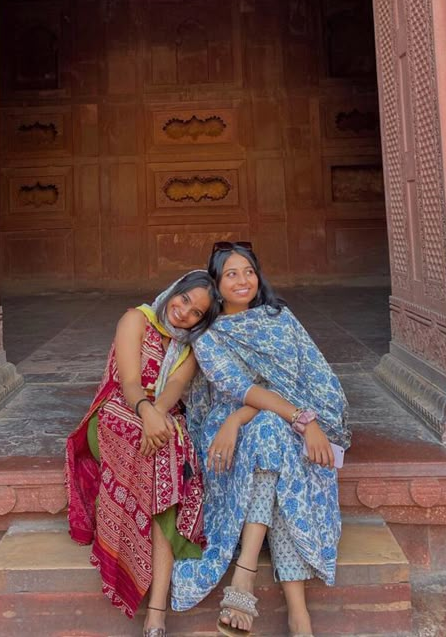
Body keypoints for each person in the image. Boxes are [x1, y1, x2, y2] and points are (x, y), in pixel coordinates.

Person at [171, 243, 350, 637]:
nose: (242, 280)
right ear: (217, 284)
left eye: (248, 271)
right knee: (272, 439)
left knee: (272, 436)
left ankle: (245, 577)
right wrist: (250, 418)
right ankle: (298, 612)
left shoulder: (280, 320)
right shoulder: (209, 335)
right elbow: (244, 389)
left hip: (283, 417)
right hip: (227, 434)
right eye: (231, 273)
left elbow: (301, 380)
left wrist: (298, 420)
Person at [65, 270, 220, 637]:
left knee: (162, 456)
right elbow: (129, 381)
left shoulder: (189, 348)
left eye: (196, 313)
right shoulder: (136, 319)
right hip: (117, 411)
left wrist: (157, 416)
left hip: (162, 420)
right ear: (173, 292)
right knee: (159, 458)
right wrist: (147, 413)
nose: (184, 313)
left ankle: (156, 611)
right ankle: (153, 607)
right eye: (184, 300)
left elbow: (176, 387)